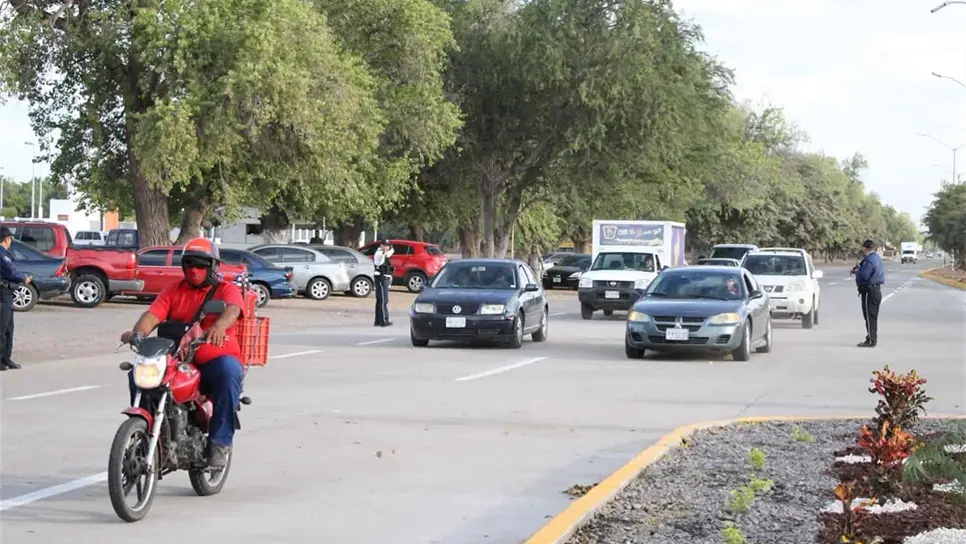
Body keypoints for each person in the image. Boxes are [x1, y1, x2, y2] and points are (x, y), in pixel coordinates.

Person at [119, 238, 245, 467]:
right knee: (139, 373)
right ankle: (145, 430)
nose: (195, 270)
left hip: (213, 359)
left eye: (201, 265)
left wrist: (218, 326)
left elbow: (233, 310)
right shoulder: (173, 289)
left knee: (229, 374)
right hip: (177, 358)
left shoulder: (227, 289)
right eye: (190, 264)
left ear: (214, 266)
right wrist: (138, 333)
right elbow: (153, 315)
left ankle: (219, 443)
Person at [0, 227, 29, 371]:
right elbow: (10, 271)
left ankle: (6, 357)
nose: (11, 241)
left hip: (8, 294)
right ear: (6, 238)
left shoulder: (5, 253)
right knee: (2, 327)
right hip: (2, 294)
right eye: (10, 238)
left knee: (9, 328)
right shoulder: (1, 254)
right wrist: (24, 278)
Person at [852, 239, 885, 348]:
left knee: (869, 316)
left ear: (865, 248)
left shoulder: (869, 260)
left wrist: (857, 272)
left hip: (869, 291)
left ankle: (871, 340)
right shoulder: (876, 258)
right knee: (872, 316)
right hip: (876, 290)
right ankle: (870, 337)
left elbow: (865, 275)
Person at [373, 239, 394, 327]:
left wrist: (390, 250)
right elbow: (380, 261)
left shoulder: (384, 252)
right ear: (381, 245)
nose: (387, 247)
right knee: (383, 300)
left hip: (384, 277)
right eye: (385, 245)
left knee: (380, 300)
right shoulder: (379, 253)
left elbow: (390, 253)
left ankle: (378, 320)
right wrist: (384, 253)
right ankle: (383, 320)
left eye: (388, 245)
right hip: (381, 278)